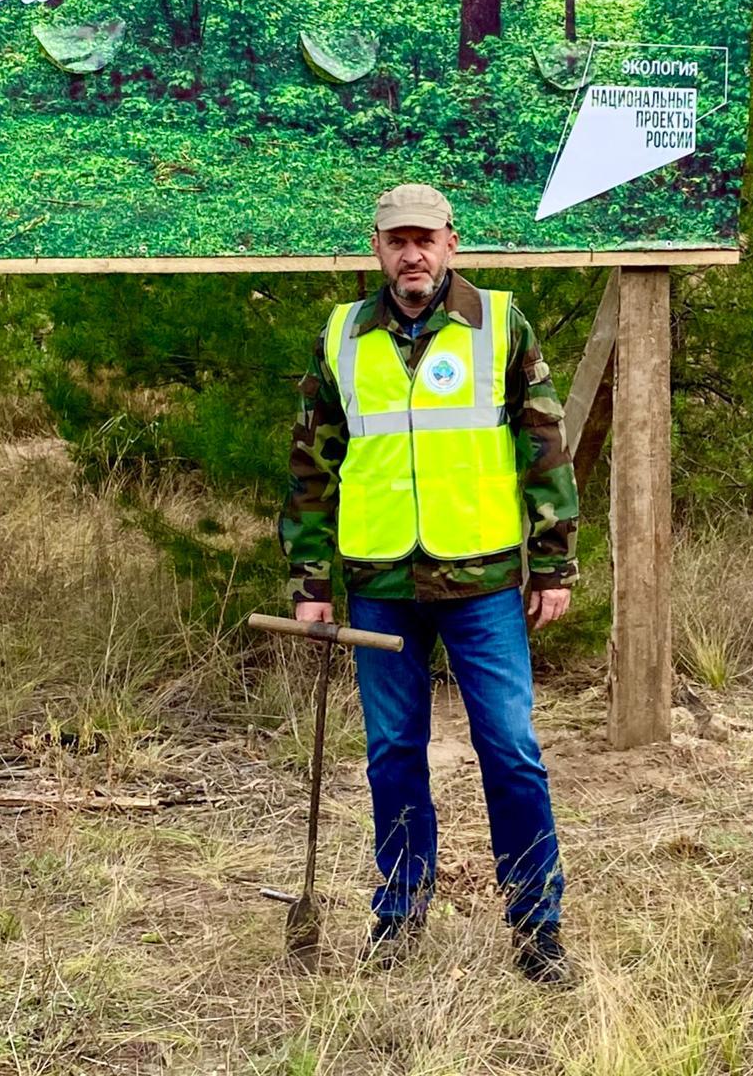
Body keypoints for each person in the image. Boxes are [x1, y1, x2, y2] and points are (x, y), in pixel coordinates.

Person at [278, 183, 580, 985]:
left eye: (426, 239)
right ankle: (399, 912)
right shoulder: (342, 336)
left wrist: (554, 562)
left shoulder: (498, 323)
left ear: (452, 242)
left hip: (482, 584)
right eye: (395, 240)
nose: (412, 254)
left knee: (511, 750)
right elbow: (313, 467)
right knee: (392, 754)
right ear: (376, 249)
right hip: (379, 584)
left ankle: (537, 925)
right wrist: (311, 582)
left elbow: (543, 442)